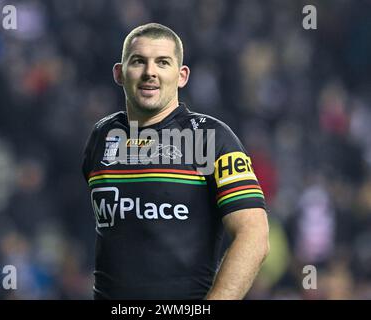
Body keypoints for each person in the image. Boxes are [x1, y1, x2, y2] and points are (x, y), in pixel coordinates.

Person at [82, 23, 270, 300]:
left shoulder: (210, 138)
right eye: (138, 61)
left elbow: (254, 234)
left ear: (181, 76)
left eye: (162, 62)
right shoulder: (102, 136)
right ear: (119, 73)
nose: (150, 73)